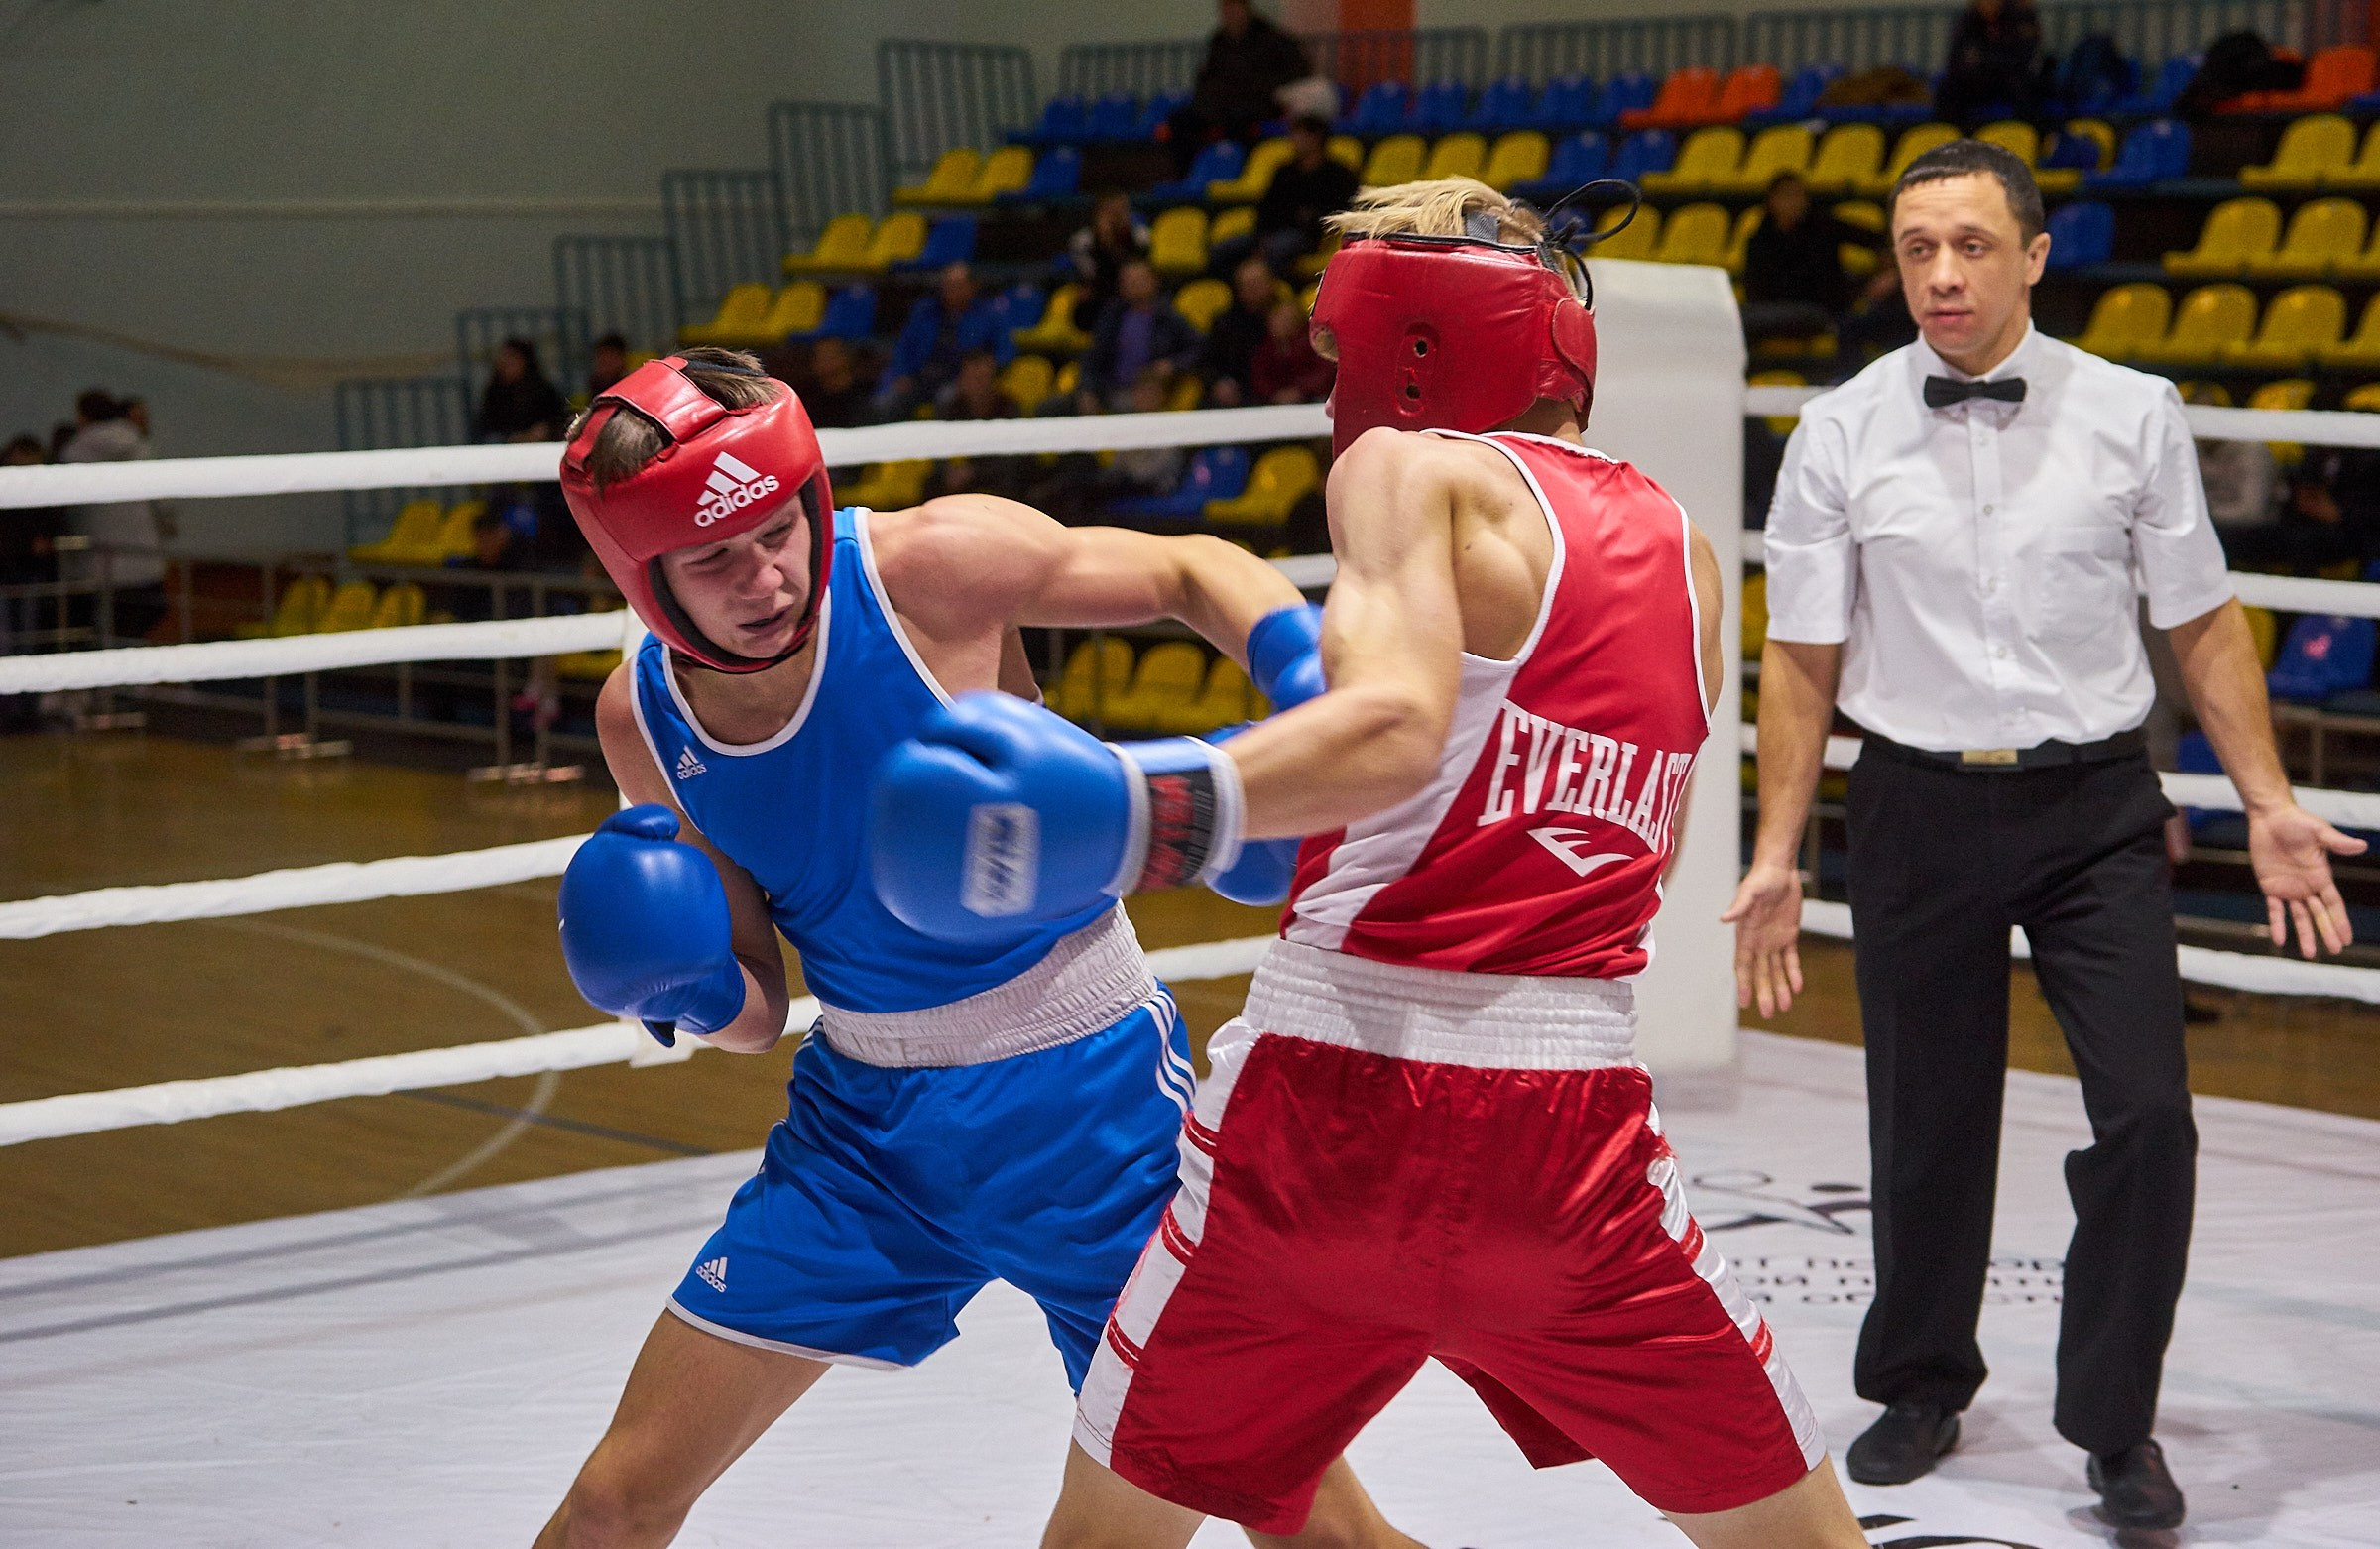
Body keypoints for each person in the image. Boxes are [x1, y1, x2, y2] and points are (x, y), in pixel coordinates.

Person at [870, 177, 1871, 1549]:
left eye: (1343, 356)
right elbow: (1641, 858)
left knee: (1106, 1537)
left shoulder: (1406, 470)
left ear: (1417, 348)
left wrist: (1147, 805)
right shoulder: (1688, 554)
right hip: (1569, 1138)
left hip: (1324, 1123)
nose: (1332, 393)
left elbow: (1397, 729)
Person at [533, 348, 1412, 1549]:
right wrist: (681, 984)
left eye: (779, 529)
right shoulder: (644, 714)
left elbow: (1191, 568)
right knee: (612, 1502)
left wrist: (1303, 674)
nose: (768, 575)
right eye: (716, 559)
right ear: (645, 577)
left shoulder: (926, 570)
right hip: (862, 1138)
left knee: (1314, 1530)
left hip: (1094, 1109)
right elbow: (754, 1006)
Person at [1728, 140, 2362, 1533]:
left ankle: (2113, 1417)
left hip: (2095, 808)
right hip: (1913, 800)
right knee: (1926, 1122)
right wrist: (1776, 847)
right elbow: (1801, 656)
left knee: (2148, 1115)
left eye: (1967, 245)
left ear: (2032, 253)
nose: (1940, 275)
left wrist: (2265, 801)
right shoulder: (1838, 426)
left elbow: (2202, 618)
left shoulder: (2134, 410)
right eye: (1914, 249)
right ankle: (1918, 1379)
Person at [57, 389, 168, 645]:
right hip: (143, 559)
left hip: (99, 562)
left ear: (83, 416)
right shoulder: (140, 447)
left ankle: (110, 681)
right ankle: (134, 681)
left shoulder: (75, 454)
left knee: (106, 631)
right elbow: (162, 502)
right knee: (135, 629)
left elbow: (68, 509)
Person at [1164, 0, 1312, 177]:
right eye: (1225, 9)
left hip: (1257, 106)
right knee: (1181, 120)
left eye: (1233, 8)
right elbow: (1207, 78)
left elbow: (1297, 70)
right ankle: (1190, 177)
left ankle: (1240, 175)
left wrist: (1266, 89)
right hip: (1220, 106)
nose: (1229, 14)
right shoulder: (1218, 41)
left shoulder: (1271, 38)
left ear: (1245, 9)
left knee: (1239, 119)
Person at [1740, 174, 1883, 348]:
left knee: (1745, 320)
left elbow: (1878, 241)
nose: (1795, 202)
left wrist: (1882, 276)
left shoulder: (1823, 227)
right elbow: (1754, 286)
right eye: (1788, 196)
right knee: (1735, 320)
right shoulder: (1759, 239)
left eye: (1800, 196)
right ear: (1772, 200)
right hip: (1773, 310)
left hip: (1817, 309)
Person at [876, 261, 1011, 420]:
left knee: (948, 400)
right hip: (920, 377)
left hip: (958, 379)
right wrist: (903, 373)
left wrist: (979, 373)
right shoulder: (925, 311)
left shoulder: (988, 314)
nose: (951, 290)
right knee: (886, 403)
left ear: (972, 286)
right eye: (947, 284)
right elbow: (904, 346)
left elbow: (1005, 350)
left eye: (957, 285)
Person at [1079, 260, 1201, 412]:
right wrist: (1088, 389)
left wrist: (1172, 364)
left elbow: (1199, 348)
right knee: (1053, 407)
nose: (1135, 284)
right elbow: (1093, 357)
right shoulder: (1111, 316)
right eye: (1129, 280)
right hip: (1108, 387)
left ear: (1154, 281)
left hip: (1150, 390)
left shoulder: (1168, 317)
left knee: (1128, 405)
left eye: (1140, 279)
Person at [1248, 115, 1359, 274]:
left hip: (1312, 237)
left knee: (1281, 245)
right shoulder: (1284, 172)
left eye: (1299, 134)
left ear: (1316, 138)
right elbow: (1267, 207)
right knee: (1228, 248)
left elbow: (1340, 211)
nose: (1292, 139)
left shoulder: (1338, 174)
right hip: (1274, 231)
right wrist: (1262, 235)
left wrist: (1311, 219)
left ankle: (1261, 281)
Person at [1934, 0, 2047, 124]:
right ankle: (1952, 134)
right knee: (1947, 89)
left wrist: (1988, 59)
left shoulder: (2017, 18)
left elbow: (2022, 57)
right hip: (1979, 80)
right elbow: (1957, 58)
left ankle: (2027, 133)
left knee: (2025, 88)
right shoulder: (1967, 21)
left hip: (2008, 79)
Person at [932, 349, 1022, 499]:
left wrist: (974, 471)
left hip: (996, 477)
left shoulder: (1008, 407)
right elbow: (936, 449)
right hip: (959, 477)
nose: (978, 384)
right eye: (972, 377)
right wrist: (950, 470)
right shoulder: (950, 408)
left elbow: (1014, 458)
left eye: (983, 378)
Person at [1199, 257, 1279, 407]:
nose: (1255, 290)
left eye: (1258, 283)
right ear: (1239, 291)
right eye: (1249, 285)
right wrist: (1219, 382)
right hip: (1241, 395)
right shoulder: (1225, 324)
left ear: (1271, 284)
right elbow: (1208, 362)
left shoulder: (1291, 318)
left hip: (1282, 392)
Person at [1068, 191, 1152, 333]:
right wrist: (1104, 241)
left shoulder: (1141, 236)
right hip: (1103, 298)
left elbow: (1134, 272)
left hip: (1134, 298)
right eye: (1110, 212)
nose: (1116, 218)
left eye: (1121, 211)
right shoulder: (1084, 241)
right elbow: (1093, 276)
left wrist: (1116, 243)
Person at [475, 338, 570, 442]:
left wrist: (543, 431)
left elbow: (559, 420)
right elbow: (486, 428)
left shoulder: (543, 391)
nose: (505, 363)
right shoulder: (495, 393)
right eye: (503, 358)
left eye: (512, 357)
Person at [1250, 296, 1333, 404]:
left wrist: (1300, 390)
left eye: (1286, 320)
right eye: (1277, 319)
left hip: (1311, 398)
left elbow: (1324, 372)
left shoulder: (1313, 342)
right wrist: (1275, 393)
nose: (1281, 324)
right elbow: (1260, 376)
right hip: (1275, 399)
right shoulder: (1267, 348)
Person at [798, 336, 871, 429]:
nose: (824, 362)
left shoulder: (866, 393)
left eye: (830, 356)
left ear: (846, 357)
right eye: (820, 357)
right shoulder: (809, 398)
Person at [588, 333, 632, 399]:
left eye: (608, 359)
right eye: (600, 356)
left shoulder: (630, 384)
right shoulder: (597, 384)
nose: (602, 361)